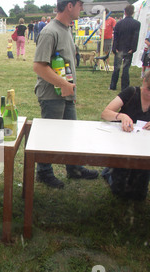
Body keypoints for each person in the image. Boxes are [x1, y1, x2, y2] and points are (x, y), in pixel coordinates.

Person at [33, 0, 99, 189]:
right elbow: (39, 66)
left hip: (66, 94)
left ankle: (74, 168)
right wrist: (64, 84)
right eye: (80, 5)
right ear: (69, 6)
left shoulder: (66, 29)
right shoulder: (49, 31)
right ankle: (44, 172)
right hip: (51, 95)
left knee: (71, 134)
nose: (82, 9)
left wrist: (71, 91)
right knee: (49, 136)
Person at [100, 72, 150, 200]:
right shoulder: (131, 92)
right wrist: (121, 116)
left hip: (144, 150)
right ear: (143, 81)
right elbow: (105, 113)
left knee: (140, 195)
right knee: (119, 190)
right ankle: (109, 172)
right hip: (123, 147)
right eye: (148, 89)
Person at [109, 4, 140, 91]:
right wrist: (133, 49)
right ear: (133, 12)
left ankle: (113, 85)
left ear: (125, 12)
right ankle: (125, 86)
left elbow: (116, 37)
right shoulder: (136, 24)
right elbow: (135, 37)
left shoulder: (119, 24)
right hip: (129, 49)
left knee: (117, 68)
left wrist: (115, 48)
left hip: (119, 48)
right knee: (126, 68)